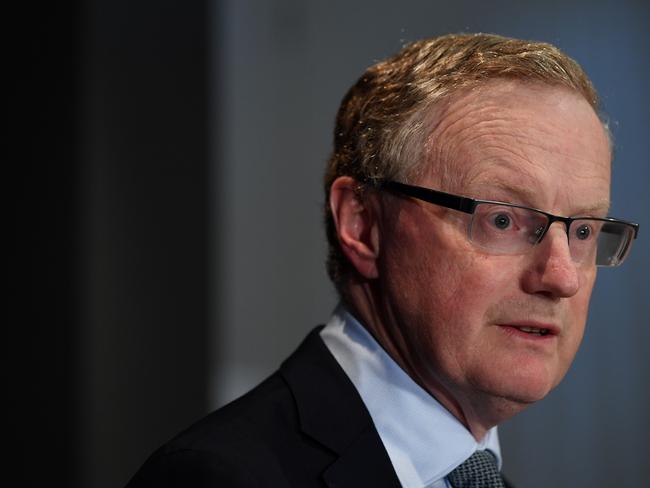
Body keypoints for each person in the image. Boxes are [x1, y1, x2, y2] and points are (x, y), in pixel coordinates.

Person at [126, 33, 639, 488]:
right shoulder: (219, 476)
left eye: (584, 230)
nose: (561, 277)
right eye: (502, 219)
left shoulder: (479, 477)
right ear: (363, 225)